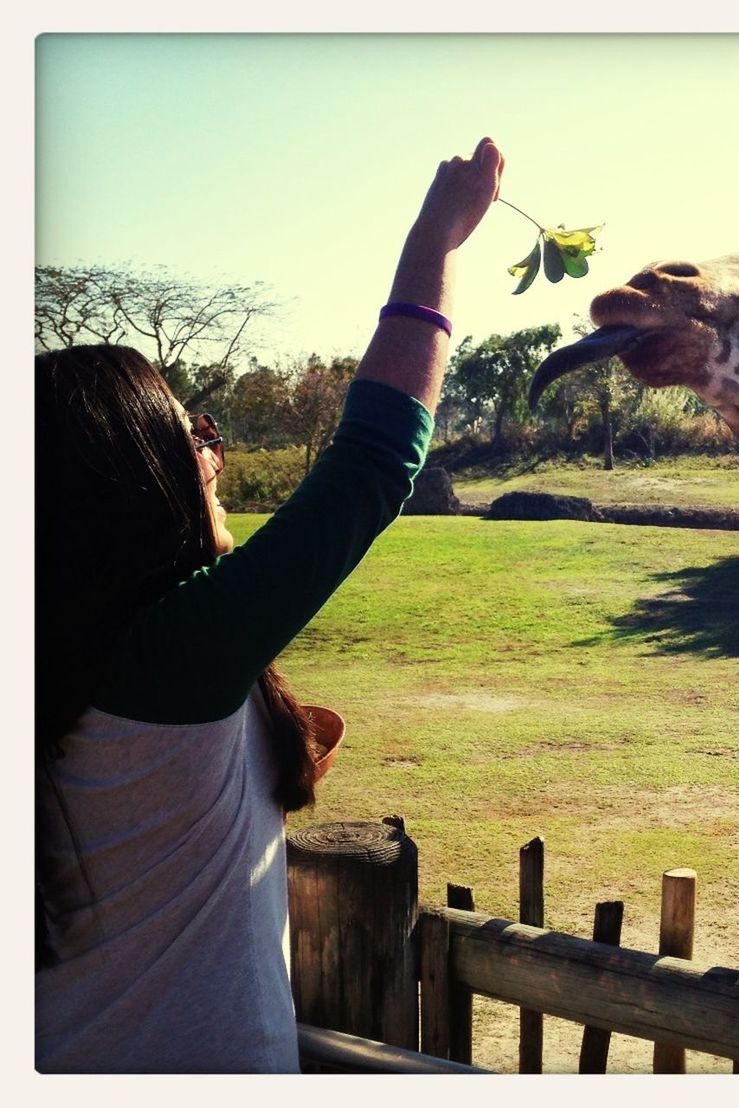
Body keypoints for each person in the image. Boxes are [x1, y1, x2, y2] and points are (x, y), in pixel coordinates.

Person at [35, 137, 505, 1073]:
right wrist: (437, 241)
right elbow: (372, 463)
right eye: (192, 436)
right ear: (136, 483)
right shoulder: (165, 657)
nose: (212, 458)